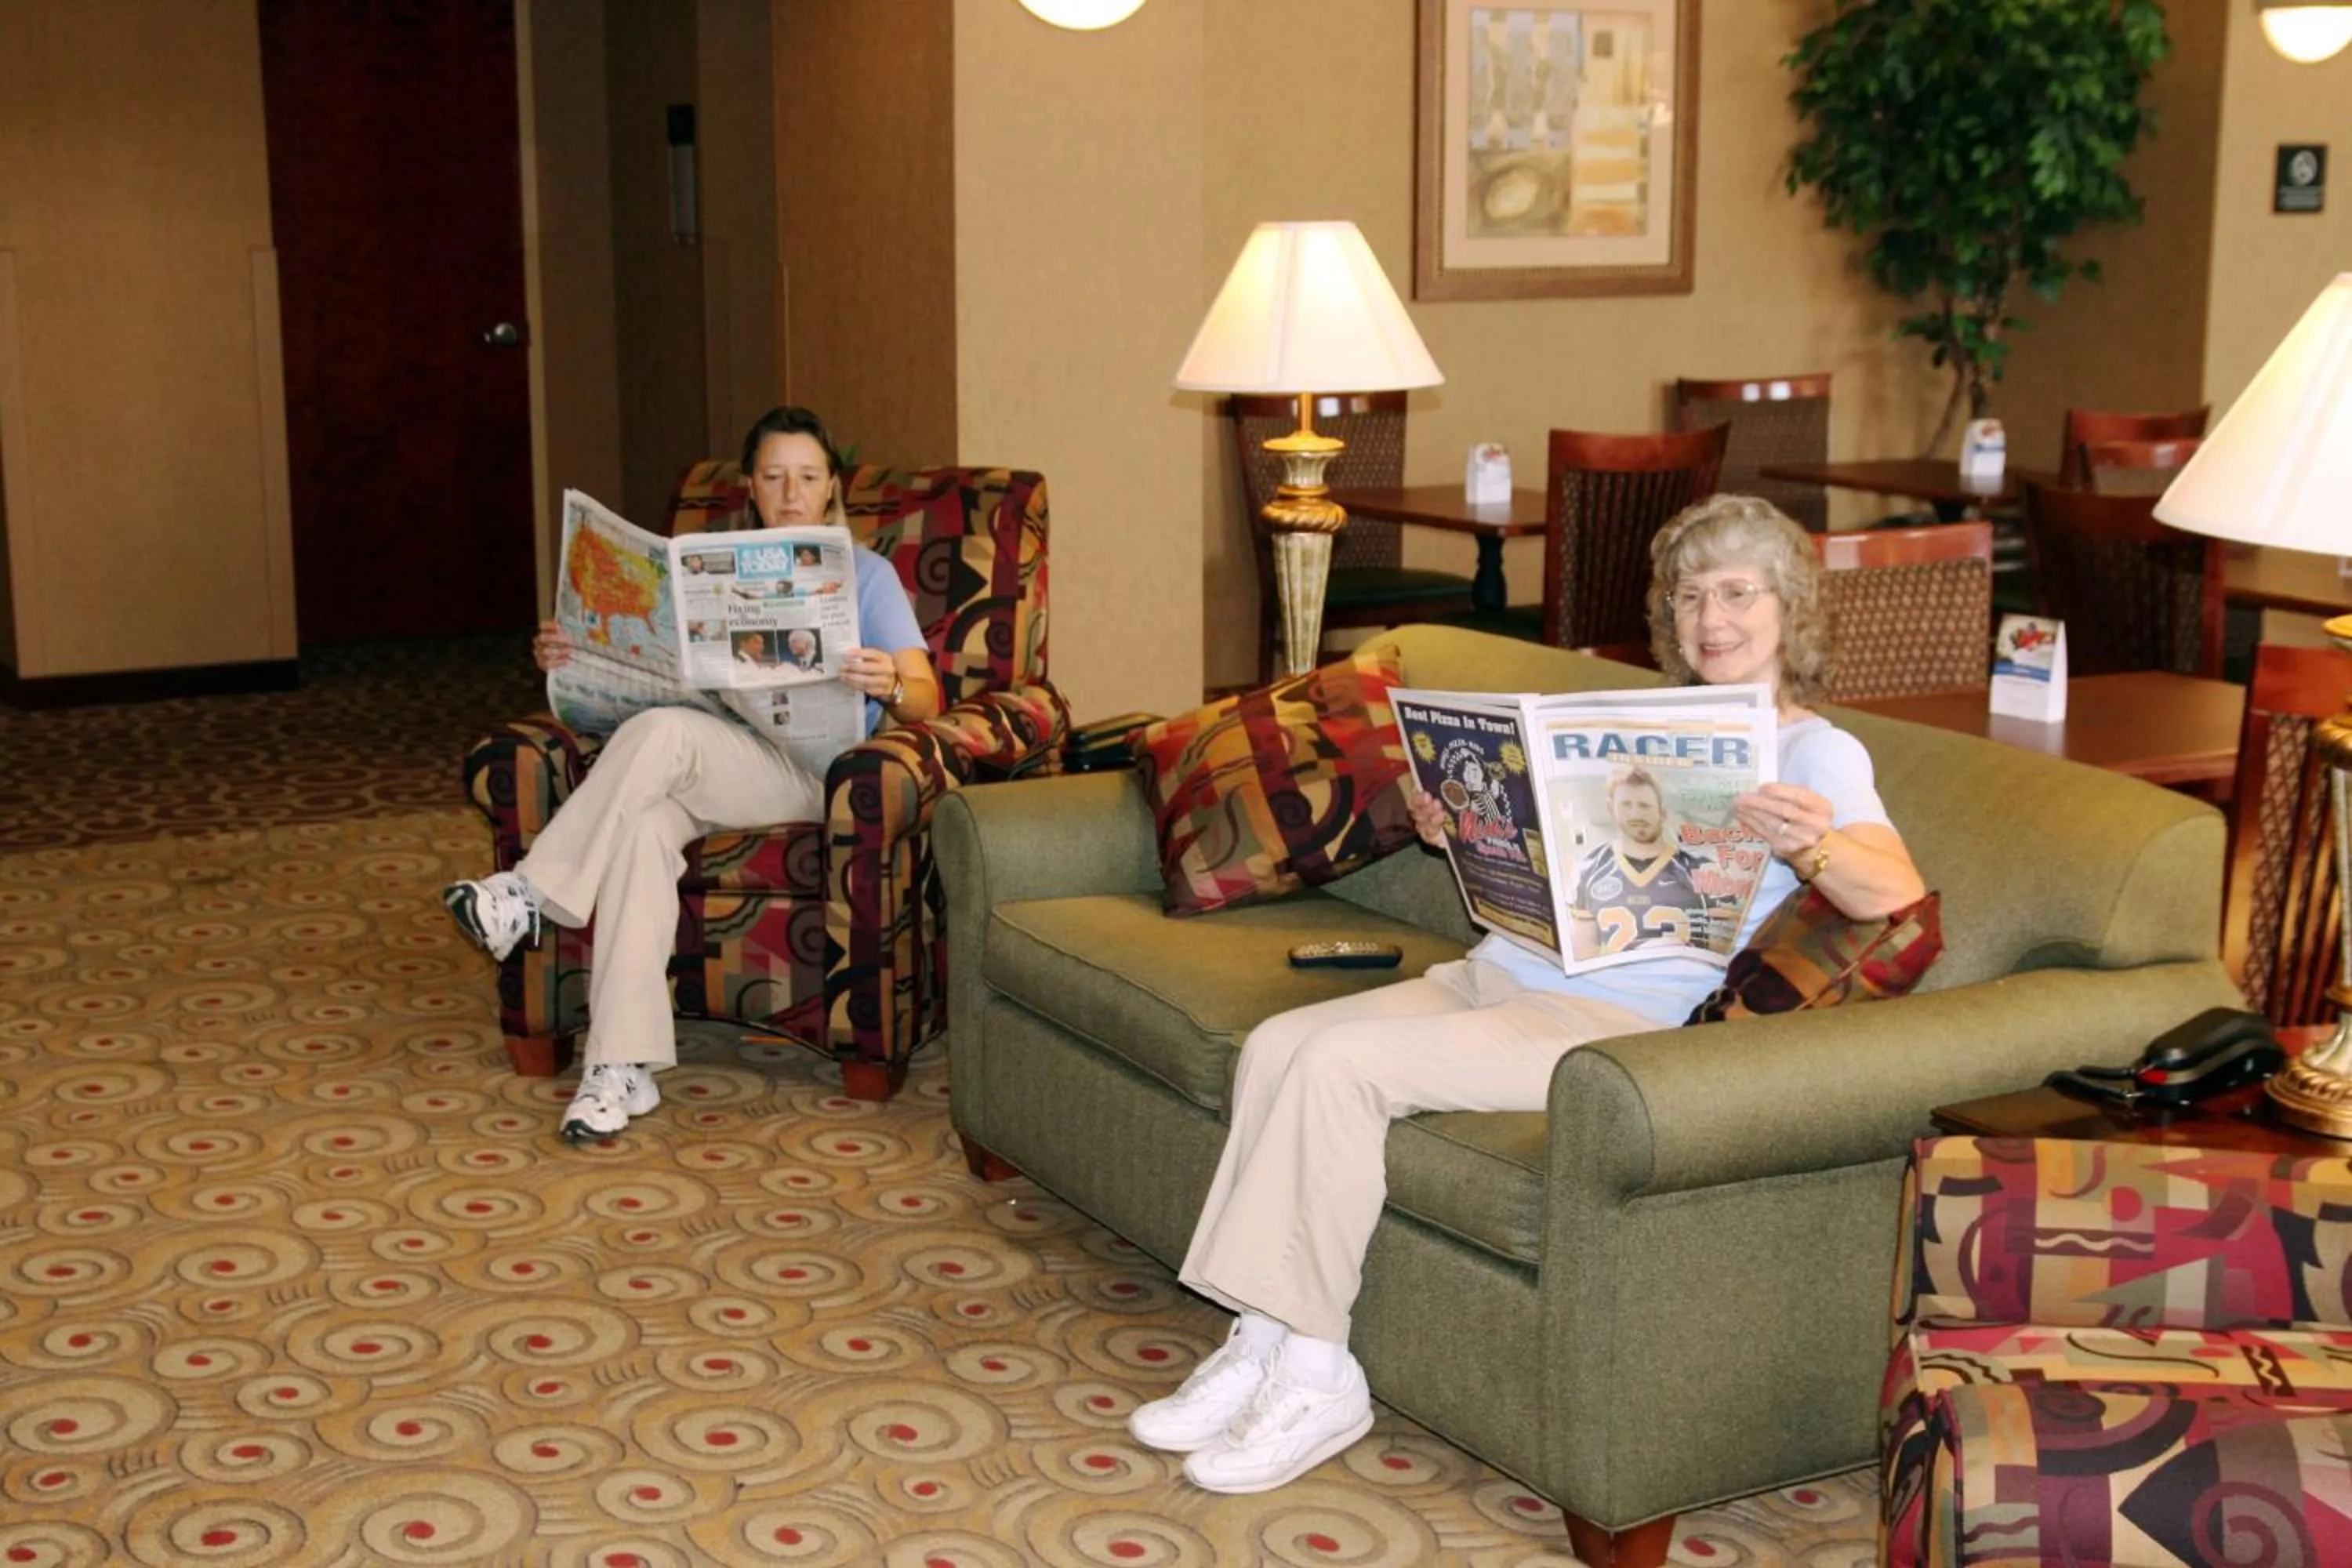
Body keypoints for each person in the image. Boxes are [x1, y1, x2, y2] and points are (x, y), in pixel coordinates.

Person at [1127, 493, 1926, 1495]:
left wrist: (1809, 840)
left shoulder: (1815, 752)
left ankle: (1320, 1372)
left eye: (1737, 593)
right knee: (1280, 1043)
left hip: (1612, 1020)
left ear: (1790, 607)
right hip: (1498, 968)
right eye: (1688, 597)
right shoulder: (1632, 721)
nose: (1710, 619)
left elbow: (1894, 891)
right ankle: (1263, 1336)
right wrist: (1456, 821)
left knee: (1339, 1067)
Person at [441, 406, 944, 1143]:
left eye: (807, 477)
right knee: (643, 826)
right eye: (774, 477)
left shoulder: (864, 576)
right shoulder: (702, 566)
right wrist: (572, 652)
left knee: (666, 733)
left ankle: (530, 892)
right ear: (752, 486)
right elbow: (639, 661)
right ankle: (620, 1067)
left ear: (832, 486)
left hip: (813, 778)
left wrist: (886, 684)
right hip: (710, 764)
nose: (791, 492)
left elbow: (929, 697)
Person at [1564, 764, 1708, 960]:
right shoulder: (1588, 868)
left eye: (1644, 806)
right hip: (1620, 986)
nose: (1635, 815)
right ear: (1611, 807)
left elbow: (1721, 950)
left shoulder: (1698, 870)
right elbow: (1584, 950)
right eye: (1626, 805)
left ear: (1662, 812)